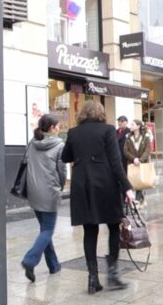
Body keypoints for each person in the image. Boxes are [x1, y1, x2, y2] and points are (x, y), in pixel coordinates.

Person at [61, 101, 135, 294]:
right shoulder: (108, 130)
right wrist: (127, 187)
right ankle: (112, 274)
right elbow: (116, 161)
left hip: (81, 185)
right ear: (101, 113)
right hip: (105, 184)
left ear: (82, 114)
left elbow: (65, 156)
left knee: (90, 230)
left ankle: (92, 278)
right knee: (113, 227)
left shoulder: (73, 132)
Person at [21, 114, 66, 283]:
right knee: (47, 231)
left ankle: (54, 265)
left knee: (44, 231)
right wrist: (59, 187)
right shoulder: (59, 145)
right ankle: (30, 260)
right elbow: (62, 171)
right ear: (53, 127)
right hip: (49, 192)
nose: (59, 128)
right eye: (58, 125)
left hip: (33, 191)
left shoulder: (33, 142)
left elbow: (25, 162)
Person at [124, 119, 152, 207]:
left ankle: (137, 200)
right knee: (133, 181)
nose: (130, 126)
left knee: (140, 181)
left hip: (142, 163)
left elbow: (147, 150)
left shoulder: (146, 136)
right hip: (132, 163)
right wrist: (133, 159)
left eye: (132, 125)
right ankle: (141, 199)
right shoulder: (128, 137)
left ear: (138, 126)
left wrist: (140, 160)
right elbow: (125, 151)